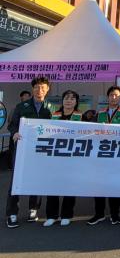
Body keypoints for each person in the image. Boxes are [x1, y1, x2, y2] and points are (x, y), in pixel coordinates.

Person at [6, 77, 52, 228]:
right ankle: (12, 213)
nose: (39, 90)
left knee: (37, 178)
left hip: (41, 150)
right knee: (16, 180)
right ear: (33, 89)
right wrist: (14, 133)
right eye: (37, 87)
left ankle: (33, 209)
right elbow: (12, 125)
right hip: (22, 149)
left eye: (43, 87)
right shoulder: (21, 106)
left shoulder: (50, 108)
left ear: (47, 89)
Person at [87, 86, 120, 226]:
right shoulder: (99, 113)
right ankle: (99, 214)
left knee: (114, 185)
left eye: (116, 95)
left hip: (117, 155)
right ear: (108, 97)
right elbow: (92, 132)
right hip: (101, 155)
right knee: (99, 185)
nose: (114, 97)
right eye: (111, 95)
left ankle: (115, 215)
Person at [44, 90, 83, 227]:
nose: (69, 101)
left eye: (72, 98)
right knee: (52, 185)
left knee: (69, 186)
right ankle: (51, 215)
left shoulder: (81, 116)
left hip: (73, 157)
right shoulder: (54, 115)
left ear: (76, 102)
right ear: (62, 100)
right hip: (55, 156)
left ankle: (66, 214)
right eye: (66, 98)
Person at [7, 90, 32, 169]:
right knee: (13, 150)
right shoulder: (16, 107)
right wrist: (14, 131)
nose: (27, 97)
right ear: (21, 97)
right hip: (16, 134)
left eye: (28, 96)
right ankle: (12, 166)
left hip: (27, 135)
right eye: (25, 96)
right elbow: (10, 121)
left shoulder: (32, 108)